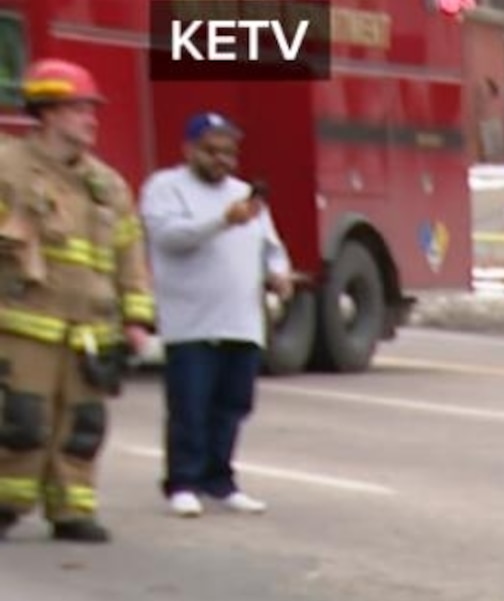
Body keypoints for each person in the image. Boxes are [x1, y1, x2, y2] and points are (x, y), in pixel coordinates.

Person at [0, 60, 157, 545]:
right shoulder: (8, 169)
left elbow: (129, 255)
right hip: (26, 324)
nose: (92, 119)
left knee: (83, 426)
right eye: (79, 108)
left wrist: (137, 317)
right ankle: (6, 504)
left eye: (92, 109)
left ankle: (72, 510)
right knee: (22, 421)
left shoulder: (107, 186)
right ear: (47, 113)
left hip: (91, 329)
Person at [141, 111, 292, 519]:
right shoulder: (165, 188)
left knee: (232, 405)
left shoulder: (245, 195)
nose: (221, 159)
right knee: (190, 405)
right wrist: (222, 221)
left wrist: (279, 273)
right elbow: (170, 238)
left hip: (241, 321)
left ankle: (220, 480)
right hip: (191, 322)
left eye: (229, 152)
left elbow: (271, 246)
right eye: (211, 151)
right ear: (188, 149)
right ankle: (183, 482)